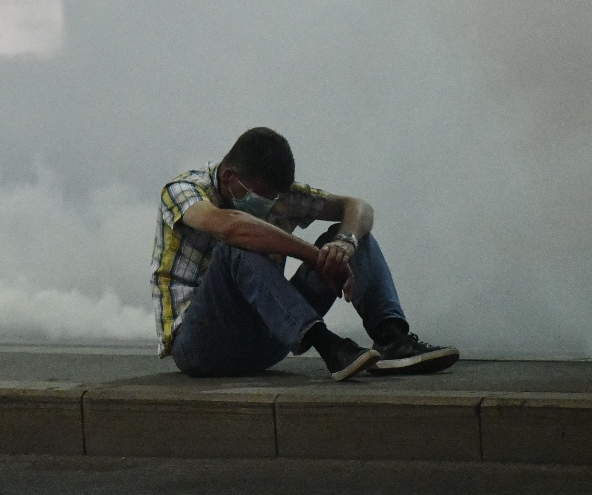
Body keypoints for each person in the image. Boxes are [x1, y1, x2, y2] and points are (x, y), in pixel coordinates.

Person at [151, 127, 457, 380]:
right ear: (230, 177)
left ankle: (393, 339)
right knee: (237, 247)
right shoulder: (183, 191)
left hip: (268, 340)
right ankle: (330, 347)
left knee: (350, 236)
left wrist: (343, 245)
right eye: (260, 196)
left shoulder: (279, 197)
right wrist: (312, 256)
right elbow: (231, 227)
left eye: (273, 199)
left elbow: (357, 206)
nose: (268, 205)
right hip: (201, 346)